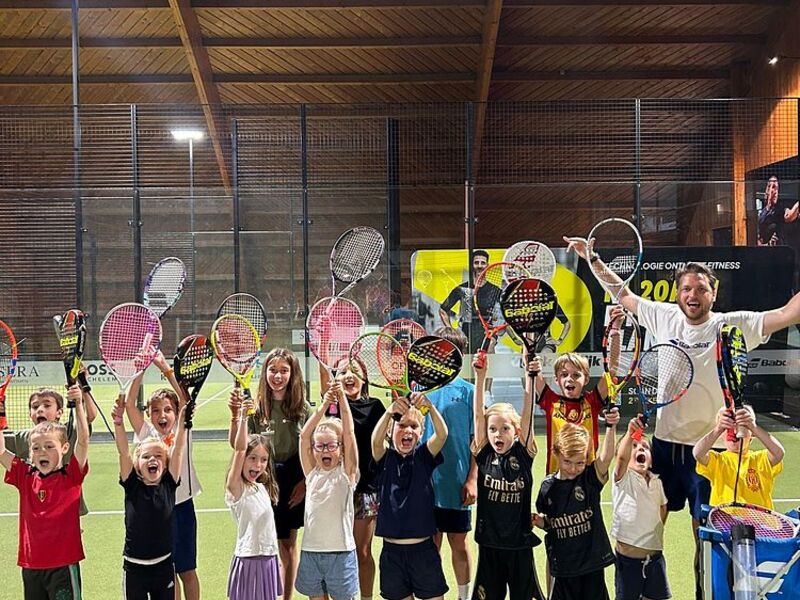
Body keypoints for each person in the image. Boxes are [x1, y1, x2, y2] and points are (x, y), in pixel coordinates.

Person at [565, 234, 800, 597]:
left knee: (702, 537)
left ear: (713, 294)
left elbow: (787, 313)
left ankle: (702, 591)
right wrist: (592, 258)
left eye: (701, 289)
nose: (693, 295)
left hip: (708, 455)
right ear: (678, 294)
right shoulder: (663, 316)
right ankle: (644, 591)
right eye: (687, 288)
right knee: (647, 530)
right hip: (663, 446)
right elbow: (622, 294)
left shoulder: (732, 323)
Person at [228, 347, 310, 600]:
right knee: (264, 541)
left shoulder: (302, 408)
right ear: (265, 373)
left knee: (288, 544)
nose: (277, 376)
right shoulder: (256, 407)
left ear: (292, 374)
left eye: (284, 371)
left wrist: (304, 482)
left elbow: (311, 449)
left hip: (294, 479)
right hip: (263, 480)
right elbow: (238, 445)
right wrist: (236, 416)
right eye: (273, 370)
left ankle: (286, 597)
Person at [1, 383, 89, 600]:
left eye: (50, 446)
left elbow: (84, 440)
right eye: (36, 448)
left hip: (63, 565)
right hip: (31, 566)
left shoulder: (72, 476)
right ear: (30, 451)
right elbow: (1, 451)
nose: (43, 452)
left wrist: (78, 403)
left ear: (64, 448)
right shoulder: (24, 476)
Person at [125, 351, 202, 600]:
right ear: (149, 415)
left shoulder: (183, 427)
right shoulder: (147, 435)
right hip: (157, 511)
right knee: (168, 569)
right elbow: (128, 405)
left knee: (187, 570)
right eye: (156, 410)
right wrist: (141, 368)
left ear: (176, 412)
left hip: (182, 507)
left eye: (168, 409)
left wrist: (165, 367)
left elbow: (185, 400)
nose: (162, 415)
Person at [471, 355, 545, 600]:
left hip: (519, 544)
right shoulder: (483, 453)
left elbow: (528, 410)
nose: (497, 434)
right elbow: (478, 416)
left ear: (517, 431)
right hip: (490, 544)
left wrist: (530, 376)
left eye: (505, 428)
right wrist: (481, 377)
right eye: (493, 429)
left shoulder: (524, 453)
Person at [371, 393, 449, 600]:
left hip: (423, 551)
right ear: (390, 430)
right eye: (401, 425)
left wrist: (430, 408)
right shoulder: (385, 459)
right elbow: (375, 442)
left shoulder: (424, 456)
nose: (408, 430)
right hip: (392, 554)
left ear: (422, 433)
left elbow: (442, 435)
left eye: (414, 426)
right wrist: (389, 412)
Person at [318, 358, 385, 600]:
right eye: (344, 372)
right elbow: (324, 379)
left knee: (362, 552)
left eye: (355, 371)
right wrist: (323, 351)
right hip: (335, 491)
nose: (349, 376)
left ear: (365, 378)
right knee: (334, 552)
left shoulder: (376, 407)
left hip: (366, 489)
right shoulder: (330, 407)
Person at [534, 413, 620, 600]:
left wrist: (611, 427)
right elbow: (551, 523)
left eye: (580, 462)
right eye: (567, 462)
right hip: (563, 569)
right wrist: (540, 522)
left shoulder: (589, 479)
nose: (573, 469)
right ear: (556, 453)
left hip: (591, 566)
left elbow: (606, 457)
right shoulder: (547, 488)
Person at [113, 393, 187, 600]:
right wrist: (118, 423)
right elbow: (123, 452)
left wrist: (183, 422)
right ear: (137, 464)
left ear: (165, 465)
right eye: (146, 456)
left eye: (158, 456)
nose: (152, 459)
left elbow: (179, 449)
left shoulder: (169, 483)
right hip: (134, 569)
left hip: (164, 566)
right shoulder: (131, 484)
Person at [420, 326, 476, 600]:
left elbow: (478, 442)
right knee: (430, 547)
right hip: (427, 485)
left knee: (460, 543)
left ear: (461, 354)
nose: (446, 357)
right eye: (440, 351)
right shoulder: (421, 392)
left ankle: (464, 596)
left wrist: (472, 478)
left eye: (452, 352)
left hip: (457, 483)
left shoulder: (470, 392)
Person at [296, 378, 360, 600]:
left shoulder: (346, 474)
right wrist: (324, 405)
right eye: (320, 446)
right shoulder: (312, 475)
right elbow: (304, 436)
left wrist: (342, 398)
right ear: (313, 450)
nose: (326, 450)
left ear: (340, 449)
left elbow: (350, 434)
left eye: (331, 445)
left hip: (341, 553)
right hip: (311, 552)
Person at [3, 382, 97, 516]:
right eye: (35, 407)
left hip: (67, 510)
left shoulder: (68, 432)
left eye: (47, 405)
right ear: (30, 413)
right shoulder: (22, 438)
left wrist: (82, 391)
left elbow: (89, 417)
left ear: (59, 412)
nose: (40, 410)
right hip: (36, 512)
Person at [226, 395, 282, 600]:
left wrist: (276, 558)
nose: (258, 465)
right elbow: (239, 448)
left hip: (268, 558)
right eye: (252, 459)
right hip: (249, 560)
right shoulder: (236, 488)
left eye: (264, 460)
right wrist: (241, 416)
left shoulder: (262, 488)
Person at [612, 417, 671, 600]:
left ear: (651, 460)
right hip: (628, 562)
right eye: (634, 446)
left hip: (654, 559)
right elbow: (622, 457)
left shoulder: (657, 482)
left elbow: (663, 509)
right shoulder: (623, 479)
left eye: (645, 447)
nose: (640, 449)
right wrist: (630, 434)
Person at [531, 351, 609, 475]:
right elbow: (530, 367)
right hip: (556, 480)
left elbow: (612, 369)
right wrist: (532, 362)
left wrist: (615, 333)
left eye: (576, 375)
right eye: (564, 374)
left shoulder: (592, 402)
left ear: (586, 379)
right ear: (556, 379)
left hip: (586, 481)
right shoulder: (551, 401)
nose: (570, 379)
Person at [693, 406, 784, 509]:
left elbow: (779, 453)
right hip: (725, 521)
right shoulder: (718, 461)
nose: (734, 431)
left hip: (758, 521)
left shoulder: (760, 459)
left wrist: (753, 426)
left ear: (752, 434)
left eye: (741, 426)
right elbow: (698, 453)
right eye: (728, 428)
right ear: (721, 435)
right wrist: (718, 429)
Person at [438, 249, 499, 355]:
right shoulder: (461, 289)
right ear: (471, 265)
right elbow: (443, 310)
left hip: (487, 332)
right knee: (466, 364)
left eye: (483, 263)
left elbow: (506, 311)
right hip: (466, 332)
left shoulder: (496, 290)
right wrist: (451, 331)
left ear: (487, 265)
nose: (479, 266)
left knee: (489, 350)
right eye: (476, 262)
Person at [757, 176, 798, 247]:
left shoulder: (780, 208)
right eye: (772, 187)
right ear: (767, 190)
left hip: (781, 251)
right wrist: (767, 245)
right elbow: (758, 239)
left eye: (776, 189)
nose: (775, 191)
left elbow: (789, 216)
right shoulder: (761, 212)